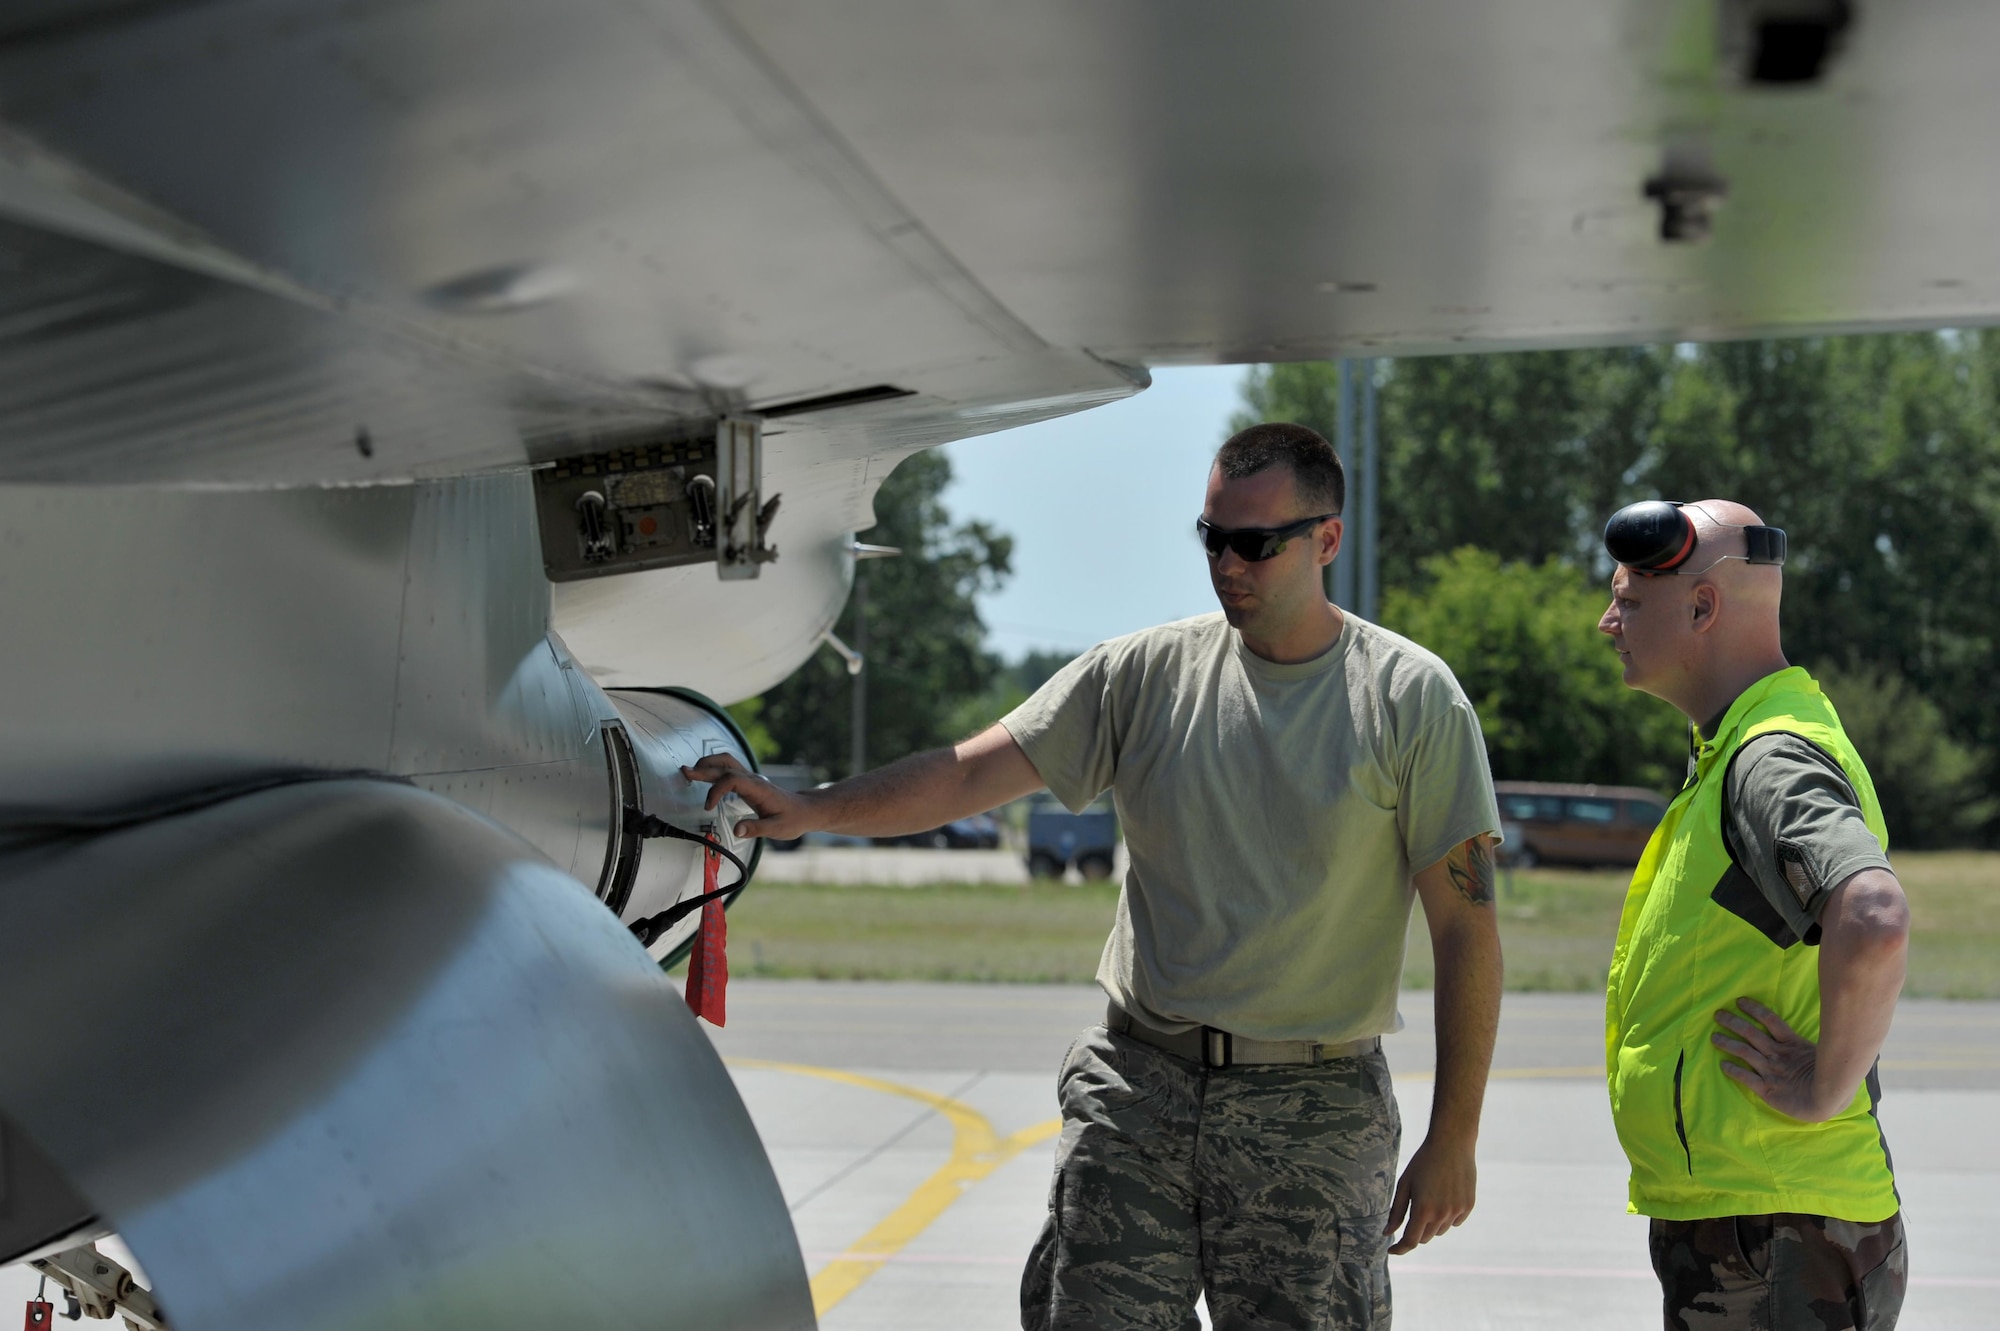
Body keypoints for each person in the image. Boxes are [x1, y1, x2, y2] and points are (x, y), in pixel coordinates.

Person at [688, 422, 1505, 1330]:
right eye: (1211, 537)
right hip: (1140, 1089)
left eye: (1253, 544)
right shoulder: (1144, 675)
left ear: (1327, 539)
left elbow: (1466, 927)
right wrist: (815, 809)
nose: (1226, 563)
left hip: (1310, 1112)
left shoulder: (1409, 699)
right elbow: (967, 772)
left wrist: (1455, 1134)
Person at [1596, 499, 1911, 1331]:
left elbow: (1873, 912)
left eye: (1629, 600)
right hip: (1764, 1221)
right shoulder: (1742, 747)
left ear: (1704, 607)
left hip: (1773, 1230)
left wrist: (1825, 1084)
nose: (1607, 621)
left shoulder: (1766, 756)